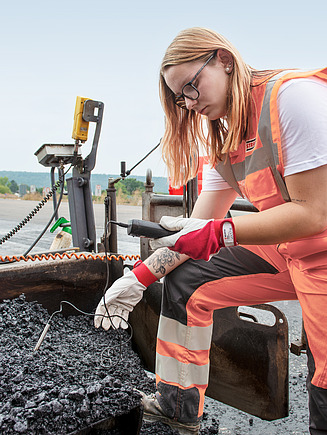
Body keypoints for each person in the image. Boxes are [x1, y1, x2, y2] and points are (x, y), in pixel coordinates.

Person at [95, 27, 327, 435]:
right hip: (294, 251)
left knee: (325, 379)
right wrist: (138, 278)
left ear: (224, 60)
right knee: (189, 280)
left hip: (321, 254)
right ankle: (177, 407)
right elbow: (198, 232)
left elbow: (315, 213)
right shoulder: (225, 141)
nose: (189, 102)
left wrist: (221, 233)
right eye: (180, 96)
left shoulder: (292, 100)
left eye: (191, 85)